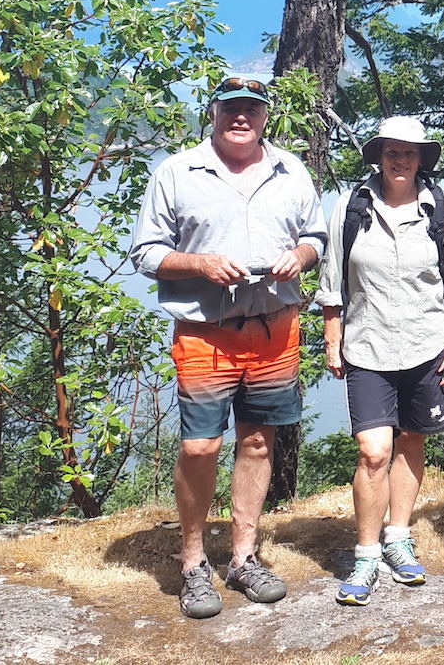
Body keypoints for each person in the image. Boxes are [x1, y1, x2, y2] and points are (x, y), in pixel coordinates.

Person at [129, 76, 326, 619]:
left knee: (259, 442)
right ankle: (192, 562)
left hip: (275, 328)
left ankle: (243, 556)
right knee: (200, 447)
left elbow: (318, 236)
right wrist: (201, 264)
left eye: (252, 109)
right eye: (232, 108)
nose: (242, 117)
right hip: (205, 333)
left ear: (266, 116)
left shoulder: (291, 171)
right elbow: (146, 251)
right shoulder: (177, 171)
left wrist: (302, 256)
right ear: (213, 112)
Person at [316, 116, 444, 606]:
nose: (400, 159)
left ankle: (398, 539)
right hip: (368, 346)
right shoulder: (352, 206)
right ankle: (366, 554)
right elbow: (332, 278)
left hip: (426, 344)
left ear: (422, 158)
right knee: (374, 450)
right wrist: (331, 334)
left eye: (410, 151)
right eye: (391, 151)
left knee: (412, 441)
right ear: (379, 155)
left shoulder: (439, 208)